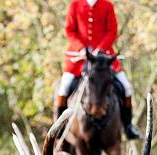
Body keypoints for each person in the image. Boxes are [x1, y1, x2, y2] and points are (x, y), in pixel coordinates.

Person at [56, 0, 140, 140]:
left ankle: (128, 126)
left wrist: (99, 49)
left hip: (104, 59)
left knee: (126, 86)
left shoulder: (107, 5)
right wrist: (81, 48)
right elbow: (70, 31)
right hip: (78, 58)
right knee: (63, 87)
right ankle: (59, 127)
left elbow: (112, 31)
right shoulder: (75, 5)